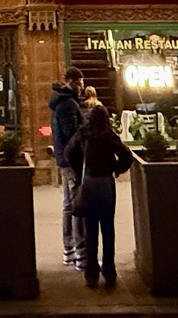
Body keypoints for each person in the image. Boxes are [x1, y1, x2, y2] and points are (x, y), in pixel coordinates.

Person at [66, 104, 133, 288]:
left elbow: (68, 152)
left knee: (90, 229)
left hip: (88, 182)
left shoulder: (83, 133)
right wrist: (117, 169)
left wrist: (79, 171)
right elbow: (127, 156)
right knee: (107, 228)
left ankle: (91, 272)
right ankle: (109, 271)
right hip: (105, 183)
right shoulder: (108, 135)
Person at [48, 68, 85, 268]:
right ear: (71, 81)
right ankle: (81, 254)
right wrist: (86, 128)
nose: (82, 87)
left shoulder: (61, 102)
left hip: (64, 159)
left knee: (69, 206)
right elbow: (73, 134)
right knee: (77, 205)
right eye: (80, 82)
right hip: (72, 161)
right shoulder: (67, 104)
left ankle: (69, 251)